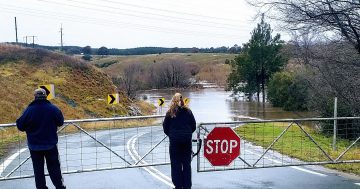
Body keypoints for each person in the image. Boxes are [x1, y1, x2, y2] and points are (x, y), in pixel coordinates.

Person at [16, 88, 66, 189]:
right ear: (46, 96)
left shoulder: (29, 110)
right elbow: (60, 122)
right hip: (50, 144)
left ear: (35, 97)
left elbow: (20, 125)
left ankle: (41, 187)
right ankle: (59, 186)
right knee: (54, 168)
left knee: (38, 170)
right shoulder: (53, 108)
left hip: (34, 146)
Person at [163, 93, 196, 189]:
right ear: (182, 101)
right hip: (186, 140)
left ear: (173, 101)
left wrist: (172, 135)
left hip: (175, 142)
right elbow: (193, 125)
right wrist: (188, 133)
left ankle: (178, 185)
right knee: (186, 163)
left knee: (175, 163)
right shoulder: (188, 111)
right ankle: (187, 185)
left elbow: (165, 128)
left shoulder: (170, 113)